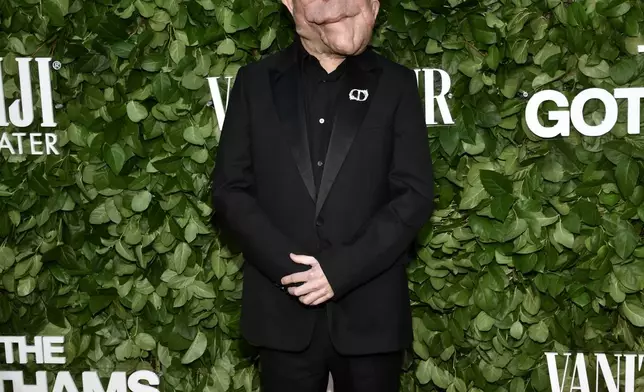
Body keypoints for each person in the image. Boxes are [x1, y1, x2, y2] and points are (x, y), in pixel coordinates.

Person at [211, 0, 434, 390]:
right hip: (281, 314)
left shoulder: (395, 84)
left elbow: (413, 195)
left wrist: (339, 270)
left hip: (370, 314)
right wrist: (294, 273)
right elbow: (231, 190)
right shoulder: (255, 81)